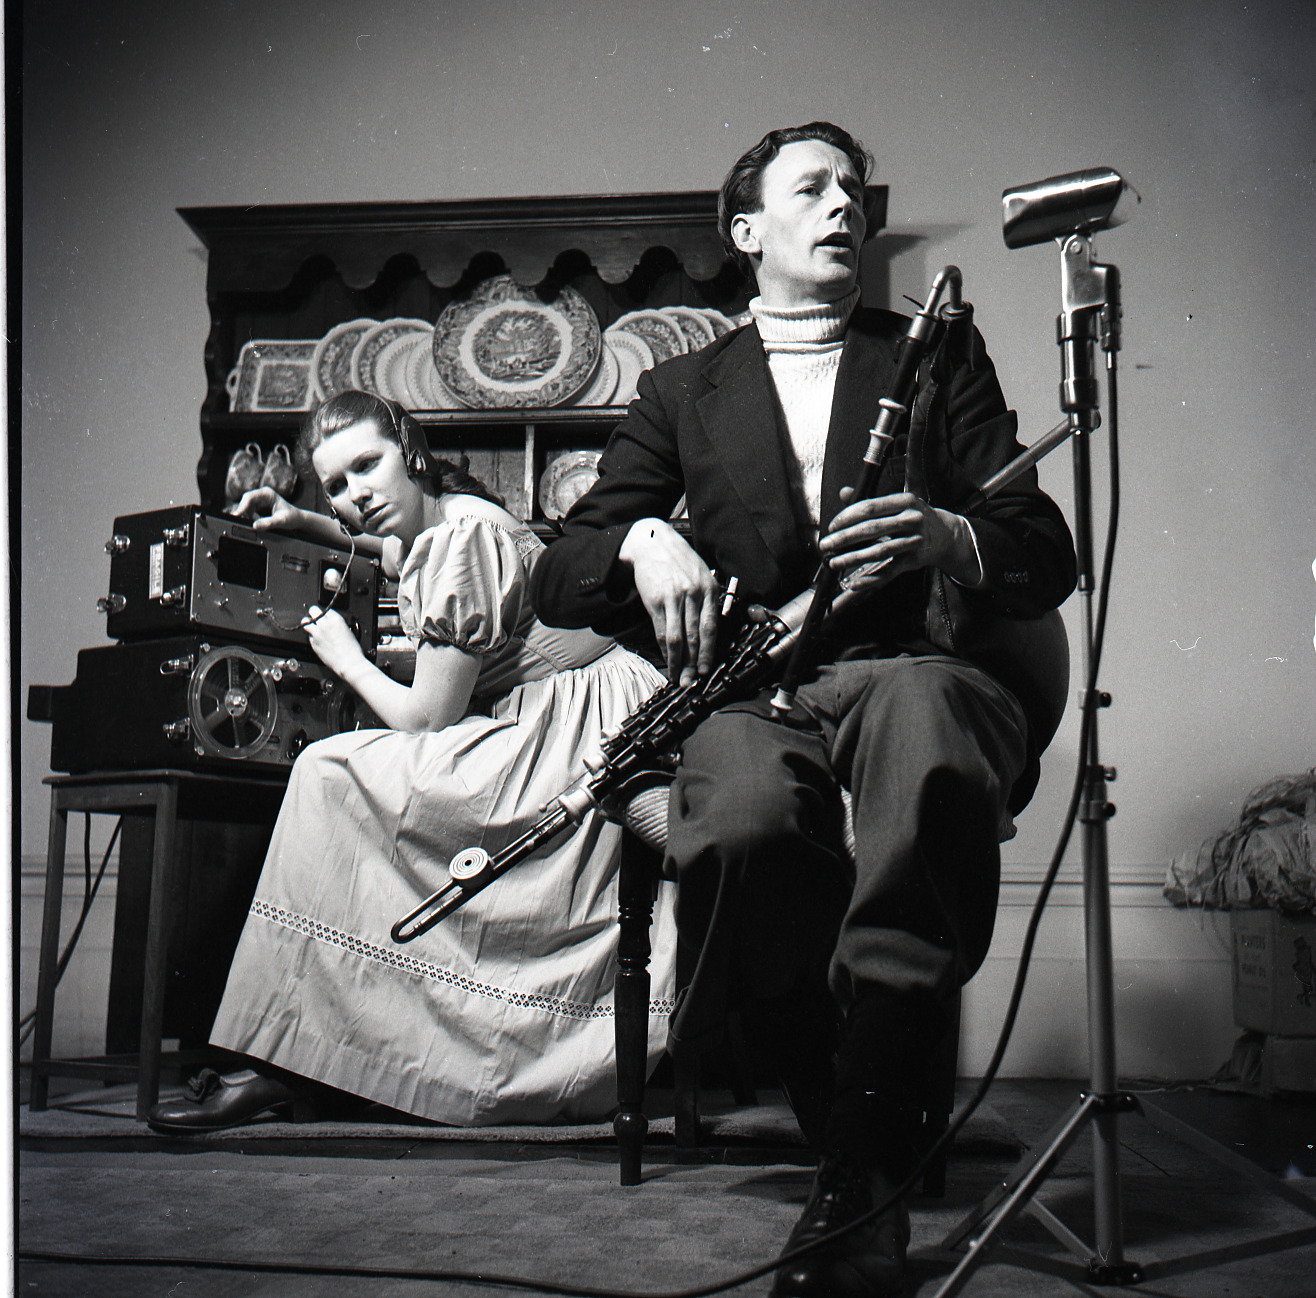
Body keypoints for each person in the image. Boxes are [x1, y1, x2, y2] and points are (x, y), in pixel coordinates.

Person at [528, 123, 1077, 1297]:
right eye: (810, 187)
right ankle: (844, 1095)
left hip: (915, 666)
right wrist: (639, 529)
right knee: (735, 826)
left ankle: (862, 1169)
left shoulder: (935, 354)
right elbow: (556, 570)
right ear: (747, 232)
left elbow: (1042, 549)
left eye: (851, 189)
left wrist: (946, 535)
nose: (844, 205)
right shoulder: (682, 387)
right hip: (760, 688)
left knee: (926, 740)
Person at [147, 390, 676, 1133]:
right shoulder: (436, 518)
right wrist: (300, 520)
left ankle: (288, 1061)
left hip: (574, 738)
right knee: (341, 782)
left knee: (326, 776)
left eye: (368, 466)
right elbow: (380, 542)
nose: (356, 495)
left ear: (411, 452)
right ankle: (306, 1053)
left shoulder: (460, 541)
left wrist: (349, 661)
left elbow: (427, 721)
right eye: (335, 483)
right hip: (578, 712)